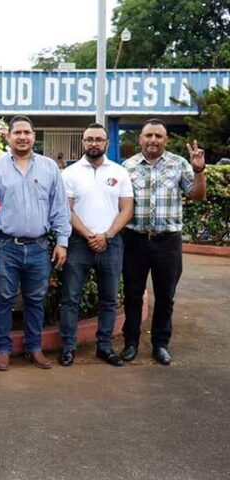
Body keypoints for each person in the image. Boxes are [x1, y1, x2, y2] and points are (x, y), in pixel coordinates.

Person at [0, 115, 71, 371]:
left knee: (35, 298)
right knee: (3, 299)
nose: (22, 137)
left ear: (34, 136)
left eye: (27, 132)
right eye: (17, 132)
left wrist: (62, 241)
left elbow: (60, 208)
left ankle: (34, 348)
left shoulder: (49, 168)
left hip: (39, 247)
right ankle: (2, 349)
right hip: (4, 245)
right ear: (8, 137)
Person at [120, 119, 206, 365]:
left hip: (167, 242)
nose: (153, 140)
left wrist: (199, 171)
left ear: (165, 139)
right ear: (140, 139)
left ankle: (160, 344)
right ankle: (131, 342)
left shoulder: (179, 164)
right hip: (134, 240)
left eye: (158, 136)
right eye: (149, 135)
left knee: (165, 295)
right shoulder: (128, 166)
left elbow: (198, 195)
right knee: (133, 293)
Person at [58, 123, 133, 367]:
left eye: (99, 139)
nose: (94, 144)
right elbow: (65, 210)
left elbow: (127, 209)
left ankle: (104, 346)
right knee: (71, 298)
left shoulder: (120, 172)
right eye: (89, 139)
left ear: (107, 143)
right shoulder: (69, 174)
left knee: (109, 299)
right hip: (79, 243)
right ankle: (68, 347)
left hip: (111, 244)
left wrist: (107, 235)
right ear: (83, 142)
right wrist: (90, 234)